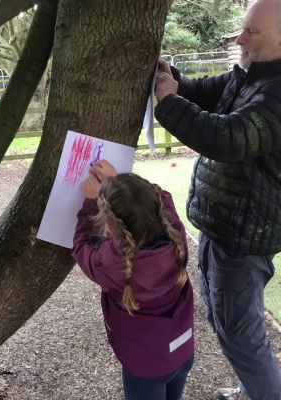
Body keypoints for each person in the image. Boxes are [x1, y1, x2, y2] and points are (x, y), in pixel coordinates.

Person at [154, 0, 281, 399]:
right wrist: (170, 78)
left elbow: (228, 137)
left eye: (252, 32)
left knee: (240, 333)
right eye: (243, 28)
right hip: (223, 224)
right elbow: (201, 91)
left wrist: (169, 104)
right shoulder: (249, 75)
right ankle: (251, 389)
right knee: (227, 320)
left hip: (245, 237)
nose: (240, 39)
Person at [71, 159, 194, 400]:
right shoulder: (176, 233)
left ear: (110, 229)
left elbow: (81, 247)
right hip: (182, 350)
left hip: (145, 367)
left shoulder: (110, 263)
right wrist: (119, 184)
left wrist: (91, 203)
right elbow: (160, 196)